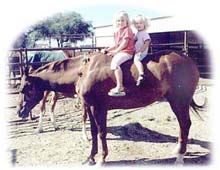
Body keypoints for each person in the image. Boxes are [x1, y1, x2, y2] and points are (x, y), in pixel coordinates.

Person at [104, 11, 134, 96]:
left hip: (127, 52)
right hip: (120, 51)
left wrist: (116, 51)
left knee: (115, 63)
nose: (120, 22)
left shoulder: (127, 30)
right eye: (118, 21)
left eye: (122, 20)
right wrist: (107, 50)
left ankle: (120, 86)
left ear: (127, 21)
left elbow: (125, 43)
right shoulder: (117, 32)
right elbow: (115, 44)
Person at [132, 14, 151, 86]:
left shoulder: (144, 33)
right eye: (136, 23)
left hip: (142, 52)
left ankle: (141, 74)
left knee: (136, 60)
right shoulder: (137, 33)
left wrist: (140, 51)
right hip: (137, 51)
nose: (138, 25)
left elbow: (147, 43)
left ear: (144, 24)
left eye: (140, 23)